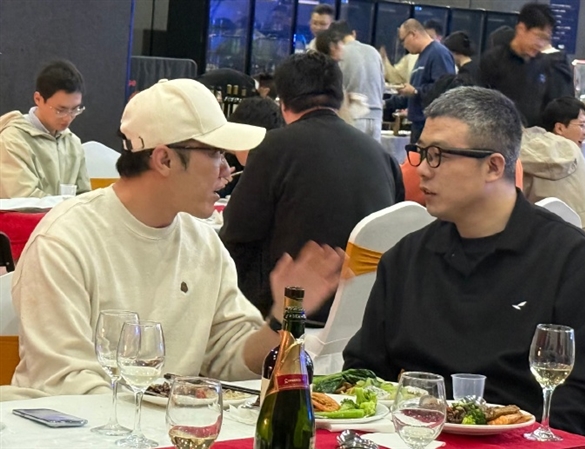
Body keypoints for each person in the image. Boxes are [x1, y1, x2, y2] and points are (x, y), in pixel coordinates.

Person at [8, 78, 345, 398]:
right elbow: (65, 380)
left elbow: (231, 357)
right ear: (164, 159)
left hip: (169, 422)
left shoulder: (204, 243)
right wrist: (172, 410)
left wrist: (284, 316)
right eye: (215, 153)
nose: (227, 171)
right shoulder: (66, 239)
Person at [343, 86, 585, 438]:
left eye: (438, 155)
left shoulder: (568, 259)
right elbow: (365, 373)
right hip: (414, 439)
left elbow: (581, 398)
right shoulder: (405, 258)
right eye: (421, 153)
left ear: (493, 166)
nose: (422, 170)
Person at [220, 52, 404, 325]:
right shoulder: (383, 156)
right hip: (368, 317)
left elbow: (236, 231)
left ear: (282, 103)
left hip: (291, 316)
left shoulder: (273, 147)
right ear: (339, 98)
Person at [517, 96, 585, 249]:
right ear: (560, 128)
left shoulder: (517, 154)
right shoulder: (575, 153)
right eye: (582, 125)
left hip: (548, 249)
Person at [0, 60, 90, 199]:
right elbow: (24, 198)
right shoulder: (12, 140)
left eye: (75, 109)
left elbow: (84, 196)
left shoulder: (73, 143)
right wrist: (67, 207)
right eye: (60, 110)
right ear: (38, 99)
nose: (68, 118)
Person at [479, 3, 569, 128]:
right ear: (521, 29)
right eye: (538, 36)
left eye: (546, 39)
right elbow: (481, 105)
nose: (541, 44)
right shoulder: (493, 60)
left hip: (534, 136)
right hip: (500, 132)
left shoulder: (545, 64)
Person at [387, 19, 455, 143]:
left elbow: (445, 89)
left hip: (430, 125)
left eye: (403, 40)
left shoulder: (438, 53)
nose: (403, 46)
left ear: (413, 34)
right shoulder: (421, 57)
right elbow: (415, 93)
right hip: (418, 124)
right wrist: (387, 103)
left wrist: (415, 91)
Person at [328, 21, 385, 141]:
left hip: (352, 115)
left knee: (351, 152)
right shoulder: (374, 52)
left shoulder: (340, 54)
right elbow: (382, 85)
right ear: (353, 33)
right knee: (372, 153)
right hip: (376, 115)